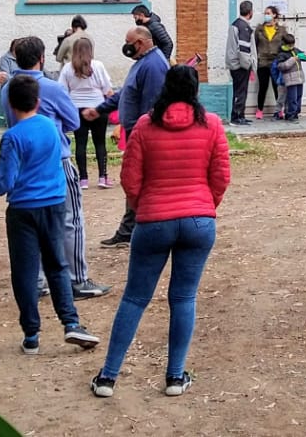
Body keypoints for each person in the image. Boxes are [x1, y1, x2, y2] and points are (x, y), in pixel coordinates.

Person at [90, 65, 231, 399]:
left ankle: (108, 377)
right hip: (198, 219)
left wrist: (143, 208)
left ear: (165, 87)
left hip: (153, 219)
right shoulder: (211, 124)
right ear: (196, 90)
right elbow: (221, 176)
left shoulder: (144, 125)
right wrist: (205, 206)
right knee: (183, 298)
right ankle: (175, 376)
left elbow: (130, 178)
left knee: (135, 298)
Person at [0, 74, 101, 355]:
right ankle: (71, 322)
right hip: (54, 204)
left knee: (24, 271)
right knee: (57, 265)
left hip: (23, 209)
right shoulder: (49, 126)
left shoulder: (12, 137)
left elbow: (6, 181)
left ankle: (31, 334)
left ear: (10, 105)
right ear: (38, 101)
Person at [4, 36, 111, 300]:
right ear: (41, 58)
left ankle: (37, 281)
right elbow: (73, 122)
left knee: (31, 222)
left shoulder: (8, 87)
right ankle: (76, 280)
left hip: (22, 161)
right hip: (56, 161)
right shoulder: (51, 88)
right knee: (70, 220)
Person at [91, 27, 169, 247]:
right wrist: (100, 109)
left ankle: (131, 231)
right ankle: (132, 229)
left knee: (137, 182)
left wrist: (141, 135)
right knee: (137, 181)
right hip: (136, 134)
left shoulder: (153, 66)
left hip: (142, 136)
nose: (125, 46)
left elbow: (151, 106)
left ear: (142, 42)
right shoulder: (142, 63)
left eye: (129, 42)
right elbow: (126, 94)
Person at [58, 37, 114, 188]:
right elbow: (107, 90)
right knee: (100, 142)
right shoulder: (98, 66)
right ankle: (103, 177)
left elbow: (62, 90)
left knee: (80, 143)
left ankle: (83, 179)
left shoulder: (68, 68)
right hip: (98, 108)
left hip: (77, 109)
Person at [224, 0, 256, 125]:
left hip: (235, 64)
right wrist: (248, 64)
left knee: (240, 90)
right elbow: (243, 49)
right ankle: (236, 117)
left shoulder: (236, 24)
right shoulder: (244, 27)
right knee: (240, 91)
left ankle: (240, 114)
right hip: (240, 65)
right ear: (250, 12)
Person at [252, 6, 284, 121]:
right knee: (263, 87)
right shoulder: (259, 29)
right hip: (263, 62)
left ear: (274, 15)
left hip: (276, 62)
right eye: (265, 13)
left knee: (277, 87)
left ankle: (279, 110)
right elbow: (254, 45)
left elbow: (285, 45)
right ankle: (259, 110)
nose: (266, 15)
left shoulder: (281, 30)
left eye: (268, 13)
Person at [272, 32, 306, 122]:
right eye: (289, 45)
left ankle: (296, 113)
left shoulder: (295, 50)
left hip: (299, 78)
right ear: (285, 44)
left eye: (293, 44)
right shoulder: (281, 54)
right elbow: (281, 66)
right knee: (292, 98)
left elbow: (305, 56)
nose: (291, 46)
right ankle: (289, 114)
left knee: (299, 96)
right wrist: (293, 59)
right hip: (290, 80)